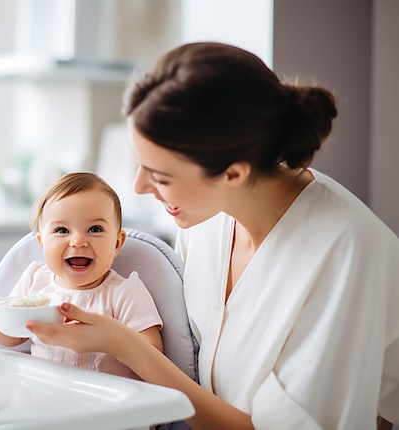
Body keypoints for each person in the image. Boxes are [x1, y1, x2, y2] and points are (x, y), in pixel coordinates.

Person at [23, 42, 399, 429]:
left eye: (161, 176)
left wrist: (125, 344)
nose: (139, 187)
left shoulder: (347, 253)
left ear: (233, 174)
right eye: (141, 165)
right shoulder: (206, 222)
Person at [0, 171, 163, 379]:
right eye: (61, 230)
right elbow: (12, 336)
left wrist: (115, 343)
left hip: (105, 402)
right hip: (44, 392)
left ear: (117, 243)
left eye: (94, 229)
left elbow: (154, 354)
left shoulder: (124, 292)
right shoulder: (35, 280)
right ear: (42, 243)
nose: (77, 241)